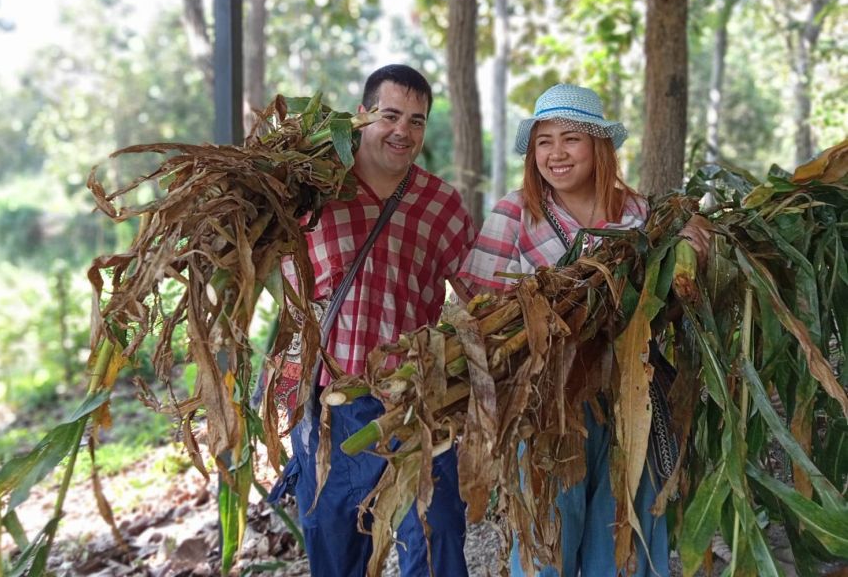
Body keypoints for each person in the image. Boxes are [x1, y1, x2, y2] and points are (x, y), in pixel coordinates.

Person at [457, 83, 709, 577]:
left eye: (570, 138)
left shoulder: (639, 215)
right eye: (544, 141)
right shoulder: (515, 212)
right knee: (549, 536)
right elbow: (476, 304)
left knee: (622, 540)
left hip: (630, 399)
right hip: (551, 404)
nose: (556, 153)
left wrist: (692, 243)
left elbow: (669, 301)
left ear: (599, 146)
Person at [272, 64, 476, 577]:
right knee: (333, 544)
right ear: (360, 117)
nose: (402, 131)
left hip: (412, 401)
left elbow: (479, 294)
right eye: (390, 115)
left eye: (416, 120)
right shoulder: (308, 191)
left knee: (434, 533)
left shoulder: (442, 205)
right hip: (326, 404)